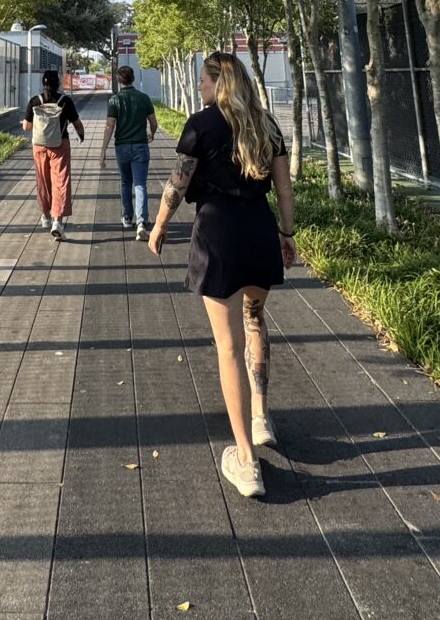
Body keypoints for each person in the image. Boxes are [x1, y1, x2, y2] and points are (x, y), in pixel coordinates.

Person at [147, 51, 297, 499]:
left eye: (203, 80)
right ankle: (261, 417)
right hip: (259, 234)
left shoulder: (202, 124)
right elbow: (284, 187)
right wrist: (287, 234)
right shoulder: (266, 124)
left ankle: (247, 461)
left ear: (219, 82)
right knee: (255, 321)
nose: (199, 87)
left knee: (227, 346)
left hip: (218, 236)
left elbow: (177, 184)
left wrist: (158, 224)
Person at [23, 69, 84, 239]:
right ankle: (58, 221)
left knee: (42, 180)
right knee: (61, 181)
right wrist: (82, 136)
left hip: (39, 146)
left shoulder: (35, 101)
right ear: (58, 84)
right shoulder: (65, 101)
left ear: (43, 84)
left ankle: (45, 216)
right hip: (60, 145)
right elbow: (77, 124)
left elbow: (26, 127)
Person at [100, 65, 157, 238]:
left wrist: (102, 150)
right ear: (132, 79)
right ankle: (141, 222)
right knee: (140, 184)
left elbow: (110, 125)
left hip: (122, 147)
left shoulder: (115, 100)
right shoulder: (144, 98)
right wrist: (151, 134)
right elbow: (154, 123)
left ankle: (126, 218)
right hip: (141, 146)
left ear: (119, 80)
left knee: (125, 182)